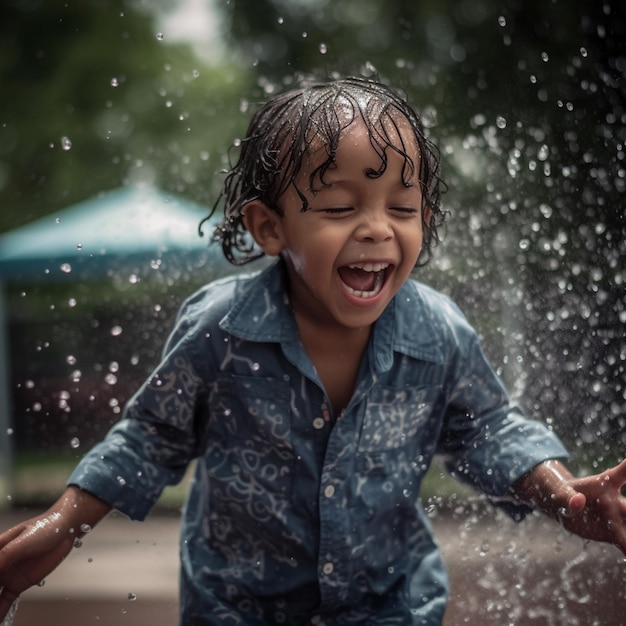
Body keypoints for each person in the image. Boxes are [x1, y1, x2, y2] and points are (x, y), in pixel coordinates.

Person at [0, 76, 624, 626]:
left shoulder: (437, 333)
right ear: (270, 227)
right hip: (238, 604)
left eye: (402, 208)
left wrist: (565, 497)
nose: (378, 227)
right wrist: (60, 528)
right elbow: (148, 437)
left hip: (390, 602)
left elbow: (487, 430)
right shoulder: (223, 329)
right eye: (339, 207)